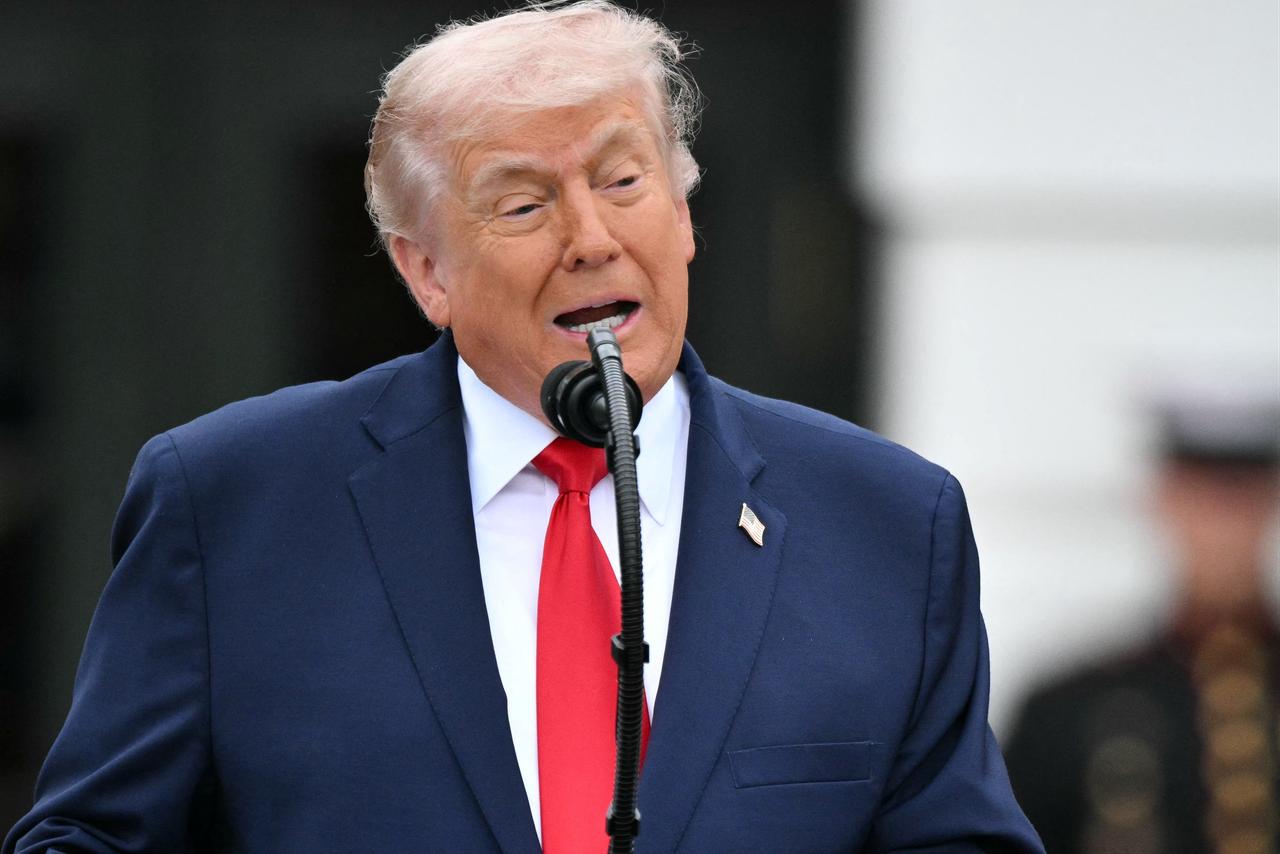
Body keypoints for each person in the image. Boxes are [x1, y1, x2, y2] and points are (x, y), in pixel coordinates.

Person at [6, 2, 1042, 851]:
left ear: (682, 214)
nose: (590, 238)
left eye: (622, 180)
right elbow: (91, 839)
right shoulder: (232, 502)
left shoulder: (888, 523)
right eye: (520, 205)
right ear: (425, 270)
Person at [1004, 390, 1280, 854]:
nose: (1222, 524)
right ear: (1163, 500)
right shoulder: (1069, 706)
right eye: (1202, 496)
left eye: (1240, 498)